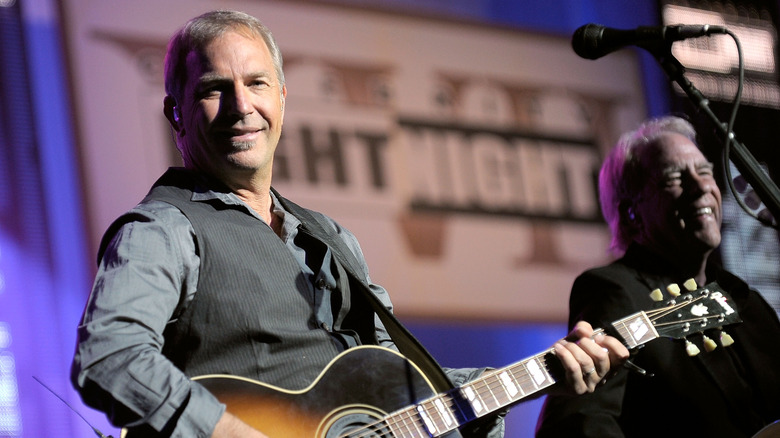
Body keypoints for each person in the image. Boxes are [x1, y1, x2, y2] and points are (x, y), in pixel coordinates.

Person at [70, 10, 628, 438]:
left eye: (258, 84)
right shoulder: (162, 228)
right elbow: (110, 356)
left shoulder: (332, 240)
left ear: (283, 100)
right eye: (214, 89)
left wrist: (546, 374)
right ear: (175, 113)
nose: (242, 106)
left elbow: (405, 391)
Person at [535, 115, 780, 438]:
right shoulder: (615, 289)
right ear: (631, 213)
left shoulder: (747, 301)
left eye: (705, 171)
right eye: (673, 177)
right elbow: (580, 423)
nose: (702, 186)